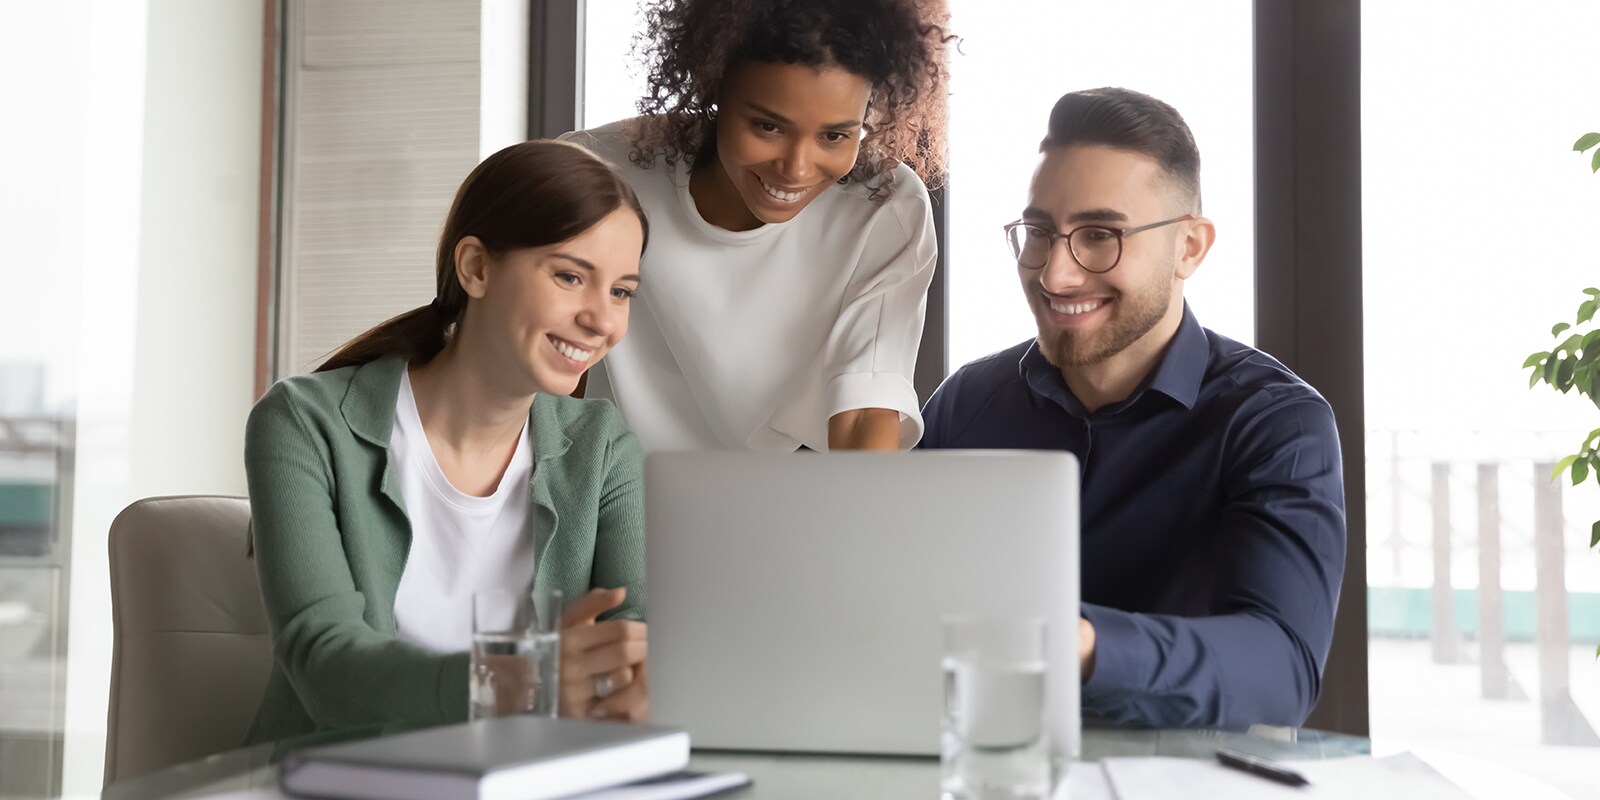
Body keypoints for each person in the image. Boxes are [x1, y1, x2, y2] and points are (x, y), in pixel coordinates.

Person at [919, 88, 1347, 729]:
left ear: (1190, 248)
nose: (1055, 275)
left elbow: (1280, 671)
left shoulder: (1276, 424)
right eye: (1039, 233)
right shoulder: (967, 403)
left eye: (1099, 236)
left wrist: (1081, 645)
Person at [243, 140, 652, 745]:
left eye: (621, 291)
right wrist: (519, 684)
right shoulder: (305, 422)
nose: (603, 320)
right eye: (570, 276)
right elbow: (325, 666)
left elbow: (635, 643)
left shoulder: (602, 446)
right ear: (476, 268)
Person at [562, 0, 952, 452]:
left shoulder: (885, 208)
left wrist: (858, 519)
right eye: (769, 126)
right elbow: (549, 378)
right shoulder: (600, 174)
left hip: (792, 498)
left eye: (835, 136)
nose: (796, 169)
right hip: (619, 494)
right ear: (715, 86)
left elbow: (866, 411)